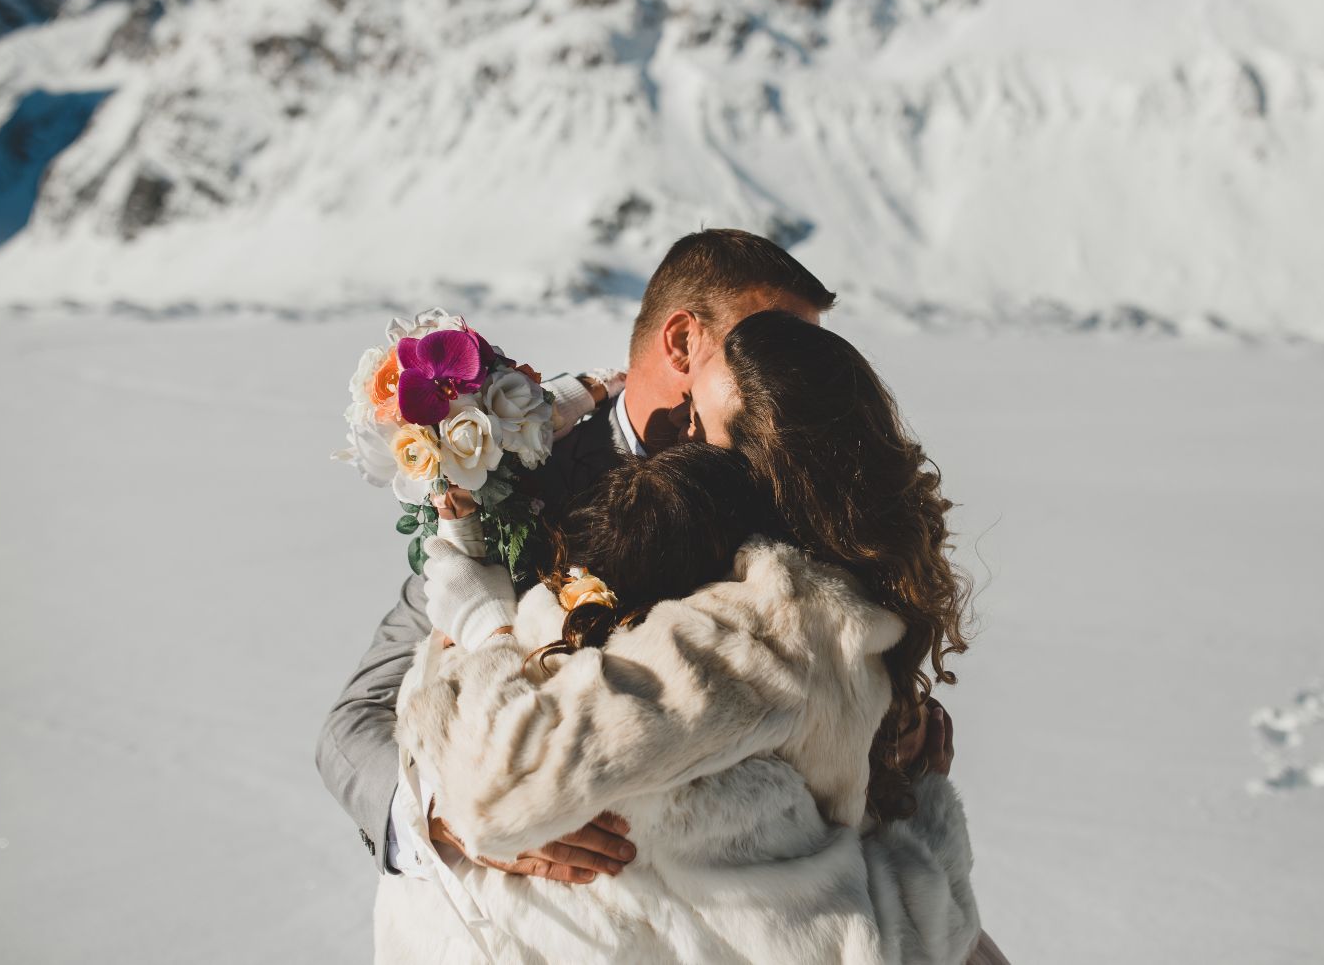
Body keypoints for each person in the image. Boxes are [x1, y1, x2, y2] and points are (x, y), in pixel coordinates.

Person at [380, 348, 980, 961]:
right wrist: (921, 812)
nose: (677, 429)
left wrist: (482, 632)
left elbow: (474, 761)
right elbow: (906, 942)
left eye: (697, 425)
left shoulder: (511, 681)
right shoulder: (815, 689)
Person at [316, 229, 844, 881]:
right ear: (681, 341)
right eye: (768, 347)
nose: (793, 383)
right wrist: (448, 815)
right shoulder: (512, 482)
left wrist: (895, 722)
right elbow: (355, 719)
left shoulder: (796, 487)